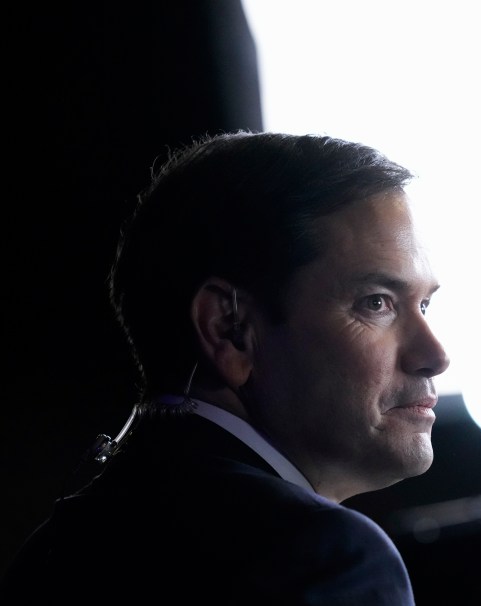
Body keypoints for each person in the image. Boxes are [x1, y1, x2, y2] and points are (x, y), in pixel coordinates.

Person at [0, 131, 450, 604]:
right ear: (229, 329)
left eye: (424, 305)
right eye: (376, 303)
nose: (435, 355)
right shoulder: (325, 557)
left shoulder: (52, 548)